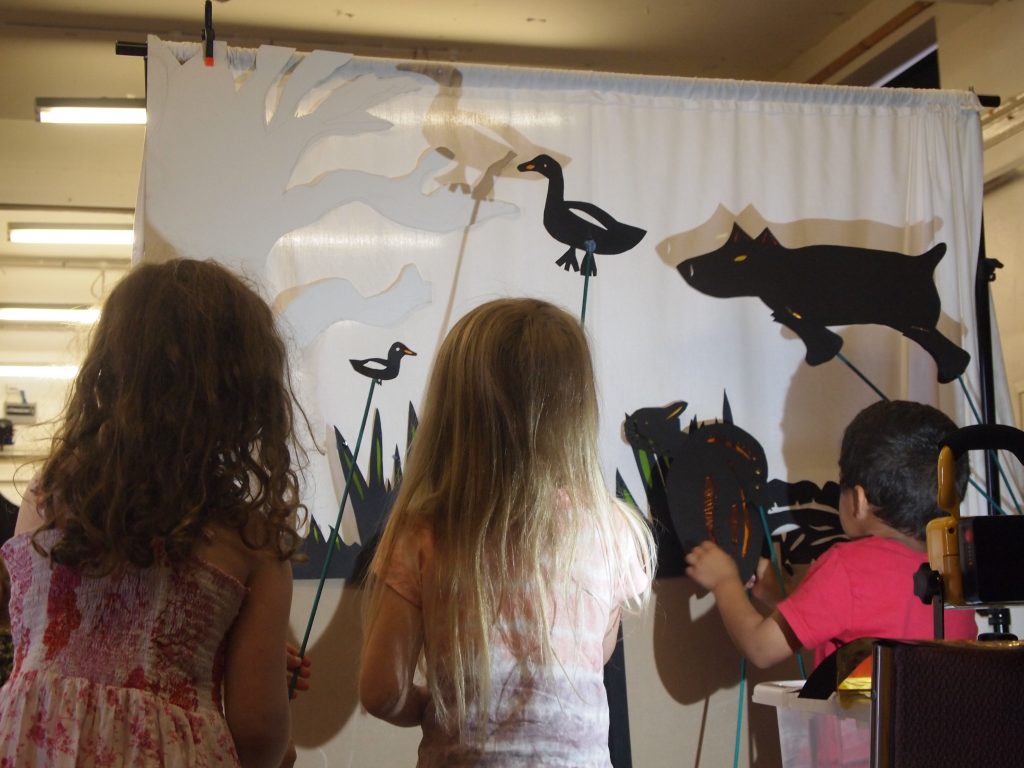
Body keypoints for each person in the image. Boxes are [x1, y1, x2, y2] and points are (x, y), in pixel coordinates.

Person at [0, 258, 308, 767]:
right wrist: (283, 749)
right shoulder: (252, 544)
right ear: (246, 396)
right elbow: (257, 735)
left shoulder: (46, 499)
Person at [359, 297, 656, 766]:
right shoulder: (613, 529)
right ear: (576, 408)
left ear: (452, 415)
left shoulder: (424, 536)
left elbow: (381, 693)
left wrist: (436, 710)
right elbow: (595, 657)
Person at [686, 399, 978, 671]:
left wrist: (724, 582)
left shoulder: (848, 567)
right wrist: (781, 595)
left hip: (866, 727)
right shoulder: (957, 566)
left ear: (858, 501)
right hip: (941, 724)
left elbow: (761, 647)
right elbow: (855, 618)